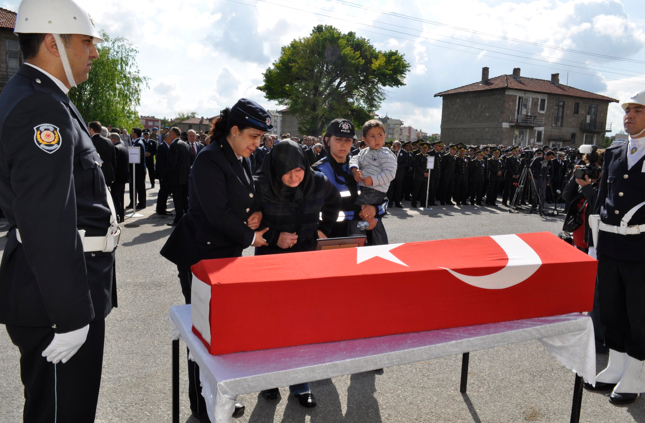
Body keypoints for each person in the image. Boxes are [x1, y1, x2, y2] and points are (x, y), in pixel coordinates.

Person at [0, 1, 119, 421]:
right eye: (87, 41)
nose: (95, 52)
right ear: (52, 42)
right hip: (56, 300)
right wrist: (70, 316)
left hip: (59, 288)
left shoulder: (48, 97)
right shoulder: (41, 106)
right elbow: (46, 219)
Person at [160, 98, 272, 422]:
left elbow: (245, 199)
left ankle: (221, 394)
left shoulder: (240, 157)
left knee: (223, 332)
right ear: (234, 130)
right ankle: (201, 406)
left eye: (261, 138)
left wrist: (254, 215)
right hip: (201, 259)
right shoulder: (209, 160)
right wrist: (251, 236)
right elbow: (216, 213)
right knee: (201, 336)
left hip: (226, 258)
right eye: (253, 136)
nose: (257, 144)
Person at [253, 140, 341, 408]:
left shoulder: (317, 181)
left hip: (305, 258)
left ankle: (301, 384)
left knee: (302, 321)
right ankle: (268, 381)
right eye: (287, 172)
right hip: (270, 259)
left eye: (298, 171)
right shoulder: (261, 184)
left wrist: (323, 231)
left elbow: (335, 201)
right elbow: (251, 221)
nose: (294, 177)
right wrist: (275, 238)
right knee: (272, 320)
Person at [585, 91, 645, 405]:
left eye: (637, 110)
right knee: (612, 308)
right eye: (627, 110)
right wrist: (594, 244)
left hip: (641, 249)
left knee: (639, 313)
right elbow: (601, 201)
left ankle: (636, 373)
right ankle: (616, 365)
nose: (629, 115)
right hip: (610, 244)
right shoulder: (614, 152)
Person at [312, 118, 388, 245]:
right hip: (334, 237)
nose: (343, 144)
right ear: (327, 140)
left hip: (369, 234)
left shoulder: (365, 165)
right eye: (338, 139)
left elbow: (384, 199)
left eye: (348, 140)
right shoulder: (317, 171)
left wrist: (374, 210)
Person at [561, 146, 604, 352]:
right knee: (580, 282)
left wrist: (589, 186)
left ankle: (597, 332)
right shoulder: (582, 180)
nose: (591, 171)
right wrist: (575, 177)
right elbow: (566, 196)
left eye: (595, 167)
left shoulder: (606, 185)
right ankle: (578, 320)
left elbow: (598, 206)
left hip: (597, 241)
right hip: (580, 237)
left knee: (596, 288)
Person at [349, 120, 396, 218]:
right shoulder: (364, 152)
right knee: (363, 214)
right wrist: (354, 169)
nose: (377, 139)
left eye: (380, 135)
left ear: (384, 136)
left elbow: (390, 173)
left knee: (357, 212)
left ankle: (357, 231)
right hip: (363, 188)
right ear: (365, 140)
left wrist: (373, 180)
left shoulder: (386, 154)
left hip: (375, 190)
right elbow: (354, 159)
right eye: (372, 136)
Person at [165, 127, 191, 226]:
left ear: (173, 134)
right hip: (185, 177)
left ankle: (178, 220)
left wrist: (168, 175)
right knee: (184, 199)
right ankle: (189, 218)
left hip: (176, 178)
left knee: (177, 200)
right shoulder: (186, 145)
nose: (169, 135)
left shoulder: (174, 145)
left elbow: (172, 164)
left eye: (170, 133)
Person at [88, 120, 116, 186]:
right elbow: (114, 159)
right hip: (108, 174)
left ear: (91, 130)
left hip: (95, 175)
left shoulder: (90, 142)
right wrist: (113, 174)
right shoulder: (109, 141)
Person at [110, 132, 130, 223]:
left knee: (116, 197)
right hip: (123, 177)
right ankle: (121, 215)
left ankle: (118, 215)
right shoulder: (124, 147)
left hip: (117, 178)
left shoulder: (116, 148)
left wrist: (112, 177)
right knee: (120, 197)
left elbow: (115, 165)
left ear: (114, 140)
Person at [127, 128, 147, 209]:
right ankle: (133, 202)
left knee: (140, 187)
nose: (131, 133)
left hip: (138, 170)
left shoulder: (138, 143)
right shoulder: (136, 142)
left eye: (132, 132)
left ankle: (142, 203)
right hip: (135, 169)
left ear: (135, 134)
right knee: (133, 187)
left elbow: (139, 158)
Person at [156, 133, 173, 216]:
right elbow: (160, 163)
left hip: (167, 175)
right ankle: (161, 209)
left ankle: (163, 208)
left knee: (165, 192)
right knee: (163, 192)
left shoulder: (167, 147)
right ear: (167, 139)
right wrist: (162, 175)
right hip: (164, 175)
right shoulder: (162, 147)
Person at [410, 141, 430, 208]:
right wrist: (423, 173)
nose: (424, 149)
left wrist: (428, 173)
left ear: (427, 149)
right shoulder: (417, 156)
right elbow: (417, 166)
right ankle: (414, 203)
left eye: (426, 148)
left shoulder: (428, 156)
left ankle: (423, 203)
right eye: (423, 148)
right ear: (421, 148)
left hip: (426, 176)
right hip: (418, 176)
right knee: (416, 191)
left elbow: (430, 166)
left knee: (424, 191)